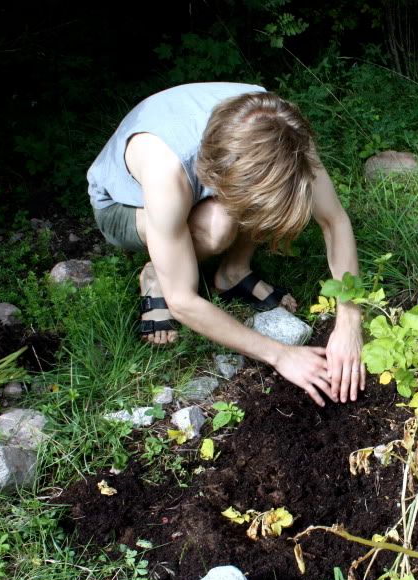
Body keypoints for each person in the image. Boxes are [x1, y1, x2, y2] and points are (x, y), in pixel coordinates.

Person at [86, 82, 364, 406]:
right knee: (218, 226)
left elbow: (334, 221)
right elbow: (182, 300)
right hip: (123, 206)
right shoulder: (166, 171)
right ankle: (155, 275)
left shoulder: (282, 130)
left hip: (211, 177)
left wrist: (349, 320)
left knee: (254, 205)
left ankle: (233, 272)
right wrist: (281, 355)